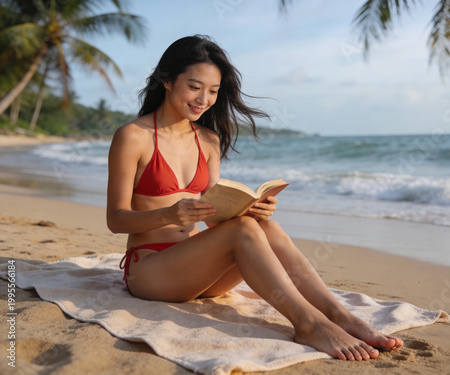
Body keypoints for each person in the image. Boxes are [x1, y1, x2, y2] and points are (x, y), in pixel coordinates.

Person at [106, 35, 403, 361]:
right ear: (166, 80)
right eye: (194, 87)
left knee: (264, 228)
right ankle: (308, 323)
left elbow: (212, 214)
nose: (204, 99)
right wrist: (168, 215)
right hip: (152, 273)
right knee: (242, 231)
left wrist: (253, 210)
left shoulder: (208, 139)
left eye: (214, 91)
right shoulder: (133, 136)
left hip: (200, 274)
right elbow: (115, 219)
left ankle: (339, 315)